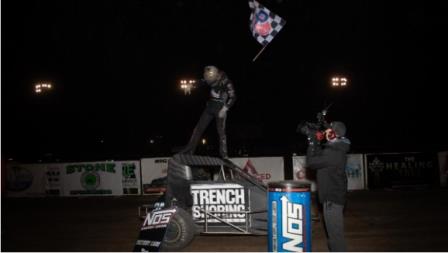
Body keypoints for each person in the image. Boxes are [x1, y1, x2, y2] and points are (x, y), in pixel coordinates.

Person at [305, 121, 350, 252]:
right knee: (334, 235)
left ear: (333, 134)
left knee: (335, 236)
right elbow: (319, 157)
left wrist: (312, 142)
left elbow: (311, 162)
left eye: (328, 131)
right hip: (333, 197)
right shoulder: (337, 148)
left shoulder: (333, 153)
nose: (325, 132)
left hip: (332, 198)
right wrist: (317, 142)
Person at [180, 65, 236, 159]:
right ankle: (189, 151)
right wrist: (191, 85)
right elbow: (201, 82)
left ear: (216, 76)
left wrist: (225, 108)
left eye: (211, 80)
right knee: (198, 129)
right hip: (210, 106)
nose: (209, 82)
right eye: (208, 80)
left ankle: (224, 154)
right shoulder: (209, 76)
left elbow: (233, 97)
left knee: (221, 132)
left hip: (220, 108)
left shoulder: (226, 82)